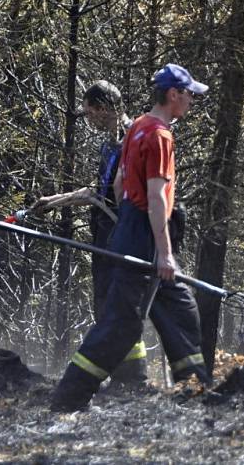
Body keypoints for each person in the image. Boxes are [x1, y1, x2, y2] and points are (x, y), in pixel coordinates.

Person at [50, 63, 210, 412]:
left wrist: (126, 224)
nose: (191, 102)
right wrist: (163, 252)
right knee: (121, 324)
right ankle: (68, 398)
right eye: (189, 96)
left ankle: (196, 386)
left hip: (132, 228)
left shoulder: (139, 126)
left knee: (180, 306)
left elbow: (122, 185)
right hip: (145, 234)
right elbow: (156, 198)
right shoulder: (160, 136)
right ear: (173, 95)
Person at [32, 80, 147, 385]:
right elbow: (97, 191)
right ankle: (126, 375)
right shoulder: (109, 144)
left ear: (105, 108)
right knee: (105, 305)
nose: (89, 119)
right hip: (105, 234)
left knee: (116, 307)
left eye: (90, 112)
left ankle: (131, 378)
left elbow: (127, 195)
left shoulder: (130, 141)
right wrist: (54, 201)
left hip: (121, 237)